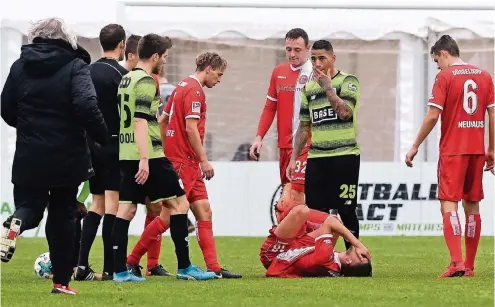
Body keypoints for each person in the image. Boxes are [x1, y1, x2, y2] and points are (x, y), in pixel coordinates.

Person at [0, 17, 108, 294]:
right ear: (66, 39)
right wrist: (102, 135)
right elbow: (86, 105)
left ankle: (16, 223)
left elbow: (6, 109)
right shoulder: (75, 66)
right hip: (67, 156)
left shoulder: (20, 66)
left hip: (28, 154)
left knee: (30, 208)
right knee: (62, 216)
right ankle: (61, 282)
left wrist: (28, 127)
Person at [126, 52, 242, 279]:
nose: (219, 80)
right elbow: (190, 129)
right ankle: (131, 260)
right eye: (218, 75)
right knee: (168, 216)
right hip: (183, 163)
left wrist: (159, 152)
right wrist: (204, 160)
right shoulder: (195, 91)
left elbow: (163, 120)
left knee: (204, 210)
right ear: (208, 69)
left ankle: (215, 268)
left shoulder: (181, 86)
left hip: (185, 162)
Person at [112, 34, 215, 282]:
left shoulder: (126, 79)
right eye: (165, 57)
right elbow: (139, 119)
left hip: (126, 152)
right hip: (150, 155)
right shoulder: (146, 80)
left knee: (125, 210)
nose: (165, 63)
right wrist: (146, 159)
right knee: (179, 205)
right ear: (155, 56)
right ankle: (185, 267)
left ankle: (119, 271)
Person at [405, 35, 494, 278]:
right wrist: (492, 149)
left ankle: (456, 262)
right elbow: (492, 115)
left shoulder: (444, 77)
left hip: (453, 150)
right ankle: (470, 266)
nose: (437, 65)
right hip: (477, 150)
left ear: (444, 53)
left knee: (449, 203)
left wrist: (415, 145)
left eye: (436, 60)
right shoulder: (485, 76)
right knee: (473, 206)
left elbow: (433, 115)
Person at [287, 39, 361, 250]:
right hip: (317, 158)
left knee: (346, 210)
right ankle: (322, 256)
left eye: (322, 58)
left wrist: (329, 89)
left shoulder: (349, 81)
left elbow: (345, 113)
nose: (317, 63)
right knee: (316, 212)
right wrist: (293, 159)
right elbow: (303, 127)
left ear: (333, 58)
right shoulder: (309, 89)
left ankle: (354, 256)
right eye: (314, 59)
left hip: (345, 157)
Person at [74, 23, 128, 282]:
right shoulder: (122, 74)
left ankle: (82, 266)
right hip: (114, 144)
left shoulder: (86, 71)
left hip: (90, 144)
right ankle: (110, 269)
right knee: (112, 206)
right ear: (122, 45)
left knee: (96, 203)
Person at [249, 28, 313, 202]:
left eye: (297, 50)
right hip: (284, 146)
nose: (292, 54)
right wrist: (259, 137)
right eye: (288, 49)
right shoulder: (278, 72)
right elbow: (270, 107)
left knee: (294, 196)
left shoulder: (314, 73)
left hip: (306, 146)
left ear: (308, 47)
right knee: (289, 196)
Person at [260, 192, 372, 278]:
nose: (361, 252)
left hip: (275, 255)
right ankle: (288, 216)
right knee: (336, 223)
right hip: (297, 251)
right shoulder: (335, 265)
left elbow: (329, 223)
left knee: (301, 210)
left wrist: (357, 243)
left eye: (361, 256)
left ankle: (282, 213)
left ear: (348, 261)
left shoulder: (325, 258)